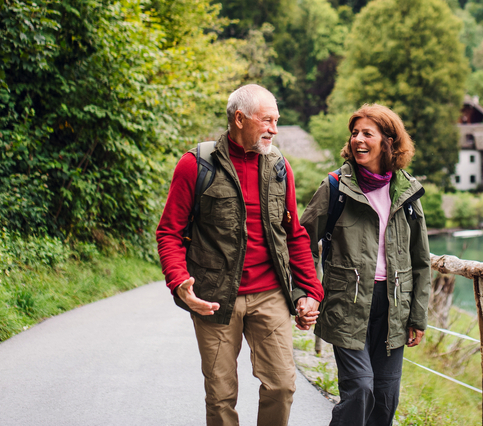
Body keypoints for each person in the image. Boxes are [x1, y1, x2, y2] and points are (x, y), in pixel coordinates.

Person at [156, 84, 324, 426]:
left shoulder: (279, 167)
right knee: (220, 396)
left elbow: (294, 234)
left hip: (270, 295)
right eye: (267, 121)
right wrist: (179, 283)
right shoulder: (195, 165)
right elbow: (169, 232)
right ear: (239, 118)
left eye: (277, 121)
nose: (274, 130)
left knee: (281, 386)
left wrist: (310, 291)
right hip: (214, 298)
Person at [301, 104, 431, 426]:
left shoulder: (406, 192)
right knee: (360, 390)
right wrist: (309, 291)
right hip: (347, 304)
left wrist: (417, 316)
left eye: (367, 134)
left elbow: (421, 260)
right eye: (355, 133)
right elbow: (302, 241)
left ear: (388, 141)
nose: (358, 139)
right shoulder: (336, 187)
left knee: (385, 401)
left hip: (393, 310)